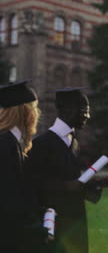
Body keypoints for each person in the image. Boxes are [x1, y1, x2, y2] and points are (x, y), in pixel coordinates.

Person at [25, 87, 101, 253]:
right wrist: (67, 186)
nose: (87, 116)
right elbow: (33, 185)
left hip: (76, 222)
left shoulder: (73, 142)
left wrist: (95, 183)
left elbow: (75, 182)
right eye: (84, 111)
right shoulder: (41, 145)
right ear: (67, 110)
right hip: (54, 224)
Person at [0, 80, 50, 252]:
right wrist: (32, 228)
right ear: (26, 112)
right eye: (34, 107)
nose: (37, 113)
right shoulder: (7, 144)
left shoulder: (10, 141)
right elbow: (9, 197)